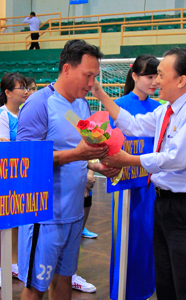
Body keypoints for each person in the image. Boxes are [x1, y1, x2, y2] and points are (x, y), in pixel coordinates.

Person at [95, 48, 186, 300]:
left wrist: (128, 160)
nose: (157, 81)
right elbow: (133, 124)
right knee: (167, 281)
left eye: (161, 75)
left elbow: (176, 157)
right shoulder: (166, 110)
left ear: (181, 80)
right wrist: (100, 94)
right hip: (165, 204)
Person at [16, 39, 121, 300]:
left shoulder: (81, 105)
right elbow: (24, 160)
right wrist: (77, 154)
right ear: (66, 69)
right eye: (87, 76)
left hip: (73, 214)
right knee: (35, 287)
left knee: (64, 280)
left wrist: (95, 164)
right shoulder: (39, 104)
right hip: (44, 216)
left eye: (94, 77)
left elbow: (76, 151)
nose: (91, 84)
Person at [108, 54, 161, 300]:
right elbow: (109, 145)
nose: (154, 81)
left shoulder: (159, 109)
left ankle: (144, 289)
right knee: (125, 237)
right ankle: (121, 290)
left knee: (148, 236)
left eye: (156, 76)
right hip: (125, 183)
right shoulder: (117, 106)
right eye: (149, 76)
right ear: (135, 76)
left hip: (151, 183)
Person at [0, 72, 28, 287]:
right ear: (7, 92)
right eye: (20, 87)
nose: (25, 91)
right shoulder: (0, 115)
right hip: (0, 176)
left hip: (19, 175)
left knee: (15, 222)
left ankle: (12, 263)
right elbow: (2, 146)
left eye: (25, 87)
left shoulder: (23, 112)